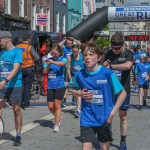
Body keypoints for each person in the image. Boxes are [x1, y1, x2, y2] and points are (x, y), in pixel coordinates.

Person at [68, 43, 127, 150]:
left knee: (104, 147)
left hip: (105, 118)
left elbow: (123, 93)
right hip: (87, 118)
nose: (87, 58)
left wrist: (113, 113)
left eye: (91, 54)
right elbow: (70, 88)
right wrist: (80, 93)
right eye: (85, 55)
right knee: (86, 147)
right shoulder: (80, 74)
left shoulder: (107, 73)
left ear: (99, 57)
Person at [103, 33, 133, 150]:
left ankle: (123, 141)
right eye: (113, 48)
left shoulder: (128, 53)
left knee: (123, 116)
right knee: (108, 116)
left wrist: (112, 66)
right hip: (110, 91)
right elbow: (103, 68)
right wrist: (104, 64)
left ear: (122, 45)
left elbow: (128, 66)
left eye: (117, 48)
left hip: (123, 90)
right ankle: (106, 140)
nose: (115, 51)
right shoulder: (109, 53)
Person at [0, 31, 23, 146]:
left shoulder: (17, 51)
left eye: (0, 40)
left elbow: (16, 68)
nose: (0, 43)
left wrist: (5, 80)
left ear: (7, 39)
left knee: (16, 110)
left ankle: (18, 135)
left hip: (15, 85)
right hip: (2, 86)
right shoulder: (2, 53)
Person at [43, 45, 67, 132]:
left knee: (57, 104)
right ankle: (58, 115)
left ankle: (56, 124)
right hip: (50, 86)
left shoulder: (63, 59)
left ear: (59, 52)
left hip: (60, 85)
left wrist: (52, 62)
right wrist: (48, 65)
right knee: (50, 106)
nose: (53, 55)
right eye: (52, 53)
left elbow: (62, 64)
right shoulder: (49, 60)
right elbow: (44, 72)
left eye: (55, 53)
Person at [17, 33, 39, 109]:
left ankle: (19, 102)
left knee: (21, 85)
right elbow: (37, 57)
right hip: (29, 69)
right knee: (27, 86)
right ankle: (25, 103)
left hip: (19, 69)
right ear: (29, 40)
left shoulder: (17, 47)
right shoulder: (29, 47)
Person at [59, 37, 81, 106]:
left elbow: (80, 44)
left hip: (75, 69)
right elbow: (59, 45)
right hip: (67, 68)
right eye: (67, 43)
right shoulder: (65, 48)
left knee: (74, 86)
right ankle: (65, 99)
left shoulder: (75, 48)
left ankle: (74, 99)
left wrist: (73, 39)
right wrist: (65, 40)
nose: (69, 44)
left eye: (70, 43)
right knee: (68, 84)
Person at [66, 44, 84, 117]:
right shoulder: (70, 57)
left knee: (79, 93)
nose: (75, 53)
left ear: (78, 50)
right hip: (74, 76)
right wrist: (71, 80)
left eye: (76, 52)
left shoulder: (82, 56)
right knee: (76, 94)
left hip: (82, 76)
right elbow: (68, 69)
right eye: (73, 52)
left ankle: (78, 110)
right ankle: (79, 108)